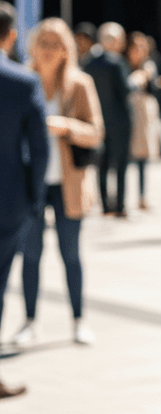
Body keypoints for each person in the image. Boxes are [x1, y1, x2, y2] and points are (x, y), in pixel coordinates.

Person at [15, 18, 104, 347]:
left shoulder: (79, 84)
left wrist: (65, 126)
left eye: (57, 43)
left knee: (71, 254)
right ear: (33, 46)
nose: (50, 50)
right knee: (31, 255)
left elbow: (96, 132)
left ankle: (79, 320)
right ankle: (29, 322)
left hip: (69, 183)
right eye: (44, 43)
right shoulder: (22, 82)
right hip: (31, 183)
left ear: (67, 49)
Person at [0, 3, 47, 395]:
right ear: (11, 36)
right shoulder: (23, 81)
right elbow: (40, 149)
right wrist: (35, 199)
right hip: (7, 201)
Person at [82, 22, 133, 217]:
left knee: (101, 165)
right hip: (119, 121)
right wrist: (138, 80)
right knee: (120, 165)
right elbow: (126, 90)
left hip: (97, 120)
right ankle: (119, 205)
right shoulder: (117, 62)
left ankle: (105, 205)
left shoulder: (88, 62)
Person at [126, 32, 160, 211]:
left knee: (142, 156)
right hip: (125, 113)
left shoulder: (148, 66)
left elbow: (152, 87)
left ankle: (141, 197)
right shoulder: (123, 65)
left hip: (143, 114)